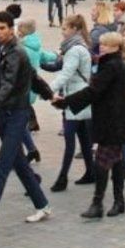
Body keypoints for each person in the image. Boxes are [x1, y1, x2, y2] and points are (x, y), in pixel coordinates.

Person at [0, 11, 53, 224]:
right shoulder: (5, 51)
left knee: (2, 165)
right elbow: (33, 78)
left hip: (17, 114)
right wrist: (51, 95)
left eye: (2, 28)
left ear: (11, 29)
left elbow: (8, 85)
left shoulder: (16, 52)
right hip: (8, 113)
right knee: (20, 164)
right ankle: (42, 205)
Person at [52, 31, 125, 219]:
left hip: (112, 122)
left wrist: (66, 101)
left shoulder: (111, 66)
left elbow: (93, 91)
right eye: (102, 44)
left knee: (102, 162)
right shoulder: (114, 63)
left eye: (106, 45)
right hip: (116, 120)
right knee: (117, 160)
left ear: (115, 47)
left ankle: (98, 204)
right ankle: (118, 201)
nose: (102, 47)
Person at [44, 15, 94, 192]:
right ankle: (90, 171)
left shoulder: (74, 50)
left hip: (75, 97)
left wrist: (47, 91)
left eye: (65, 28)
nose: (62, 31)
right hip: (81, 96)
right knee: (83, 138)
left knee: (70, 137)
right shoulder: (79, 47)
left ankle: (63, 177)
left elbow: (65, 73)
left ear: (74, 29)